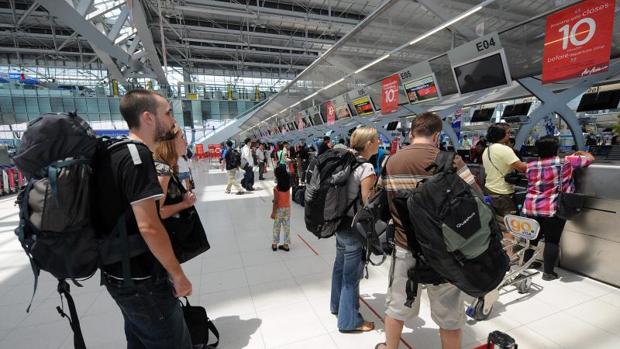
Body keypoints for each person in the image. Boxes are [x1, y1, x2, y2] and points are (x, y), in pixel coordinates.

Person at [93, 89, 192, 348]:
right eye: (168, 113)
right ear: (148, 117)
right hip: (142, 283)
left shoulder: (115, 153)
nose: (172, 120)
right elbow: (149, 225)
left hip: (121, 276)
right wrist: (177, 273)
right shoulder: (137, 158)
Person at [378, 112, 480, 349]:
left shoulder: (391, 161)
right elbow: (475, 195)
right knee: (451, 314)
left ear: (411, 133)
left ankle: (389, 347)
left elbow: (384, 200)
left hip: (406, 245)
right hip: (446, 250)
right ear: (437, 135)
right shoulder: (451, 160)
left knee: (397, 305)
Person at [522, 136, 594, 280]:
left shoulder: (530, 165)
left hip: (531, 206)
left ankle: (527, 264)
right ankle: (548, 273)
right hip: (553, 207)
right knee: (552, 240)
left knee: (532, 238)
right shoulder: (566, 161)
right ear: (556, 149)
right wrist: (581, 152)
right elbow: (590, 158)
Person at [330, 126, 379, 333]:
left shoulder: (346, 161)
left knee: (339, 267)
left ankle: (336, 306)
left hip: (339, 224)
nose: (379, 142)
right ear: (368, 144)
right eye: (376, 139)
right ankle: (349, 322)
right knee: (351, 276)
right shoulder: (366, 168)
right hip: (354, 228)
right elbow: (368, 202)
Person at [482, 123, 527, 246]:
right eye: (508, 133)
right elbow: (522, 168)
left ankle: (502, 252)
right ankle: (510, 255)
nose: (509, 135)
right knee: (510, 226)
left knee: (499, 224)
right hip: (504, 194)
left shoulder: (487, 150)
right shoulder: (504, 149)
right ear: (501, 135)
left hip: (490, 191)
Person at [270, 164, 292, 252]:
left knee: (276, 226)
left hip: (278, 209)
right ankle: (286, 245)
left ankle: (275, 244)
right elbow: (284, 197)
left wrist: (273, 212)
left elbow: (275, 202)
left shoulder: (276, 189)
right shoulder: (288, 186)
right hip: (287, 209)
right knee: (286, 227)